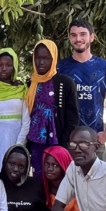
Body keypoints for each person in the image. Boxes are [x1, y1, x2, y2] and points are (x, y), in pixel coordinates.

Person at [57, 18, 106, 159]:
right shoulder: (60, 68)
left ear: (92, 37)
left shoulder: (105, 67)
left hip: (95, 141)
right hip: (67, 142)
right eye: (73, 35)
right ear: (69, 38)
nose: (78, 39)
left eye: (83, 34)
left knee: (99, 180)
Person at [25, 39, 79, 178]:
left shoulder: (65, 83)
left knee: (58, 180)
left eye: (45, 58)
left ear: (53, 59)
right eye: (37, 58)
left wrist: (64, 145)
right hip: (36, 143)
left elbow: (72, 118)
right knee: (38, 178)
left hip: (57, 142)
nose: (41, 62)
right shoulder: (30, 83)